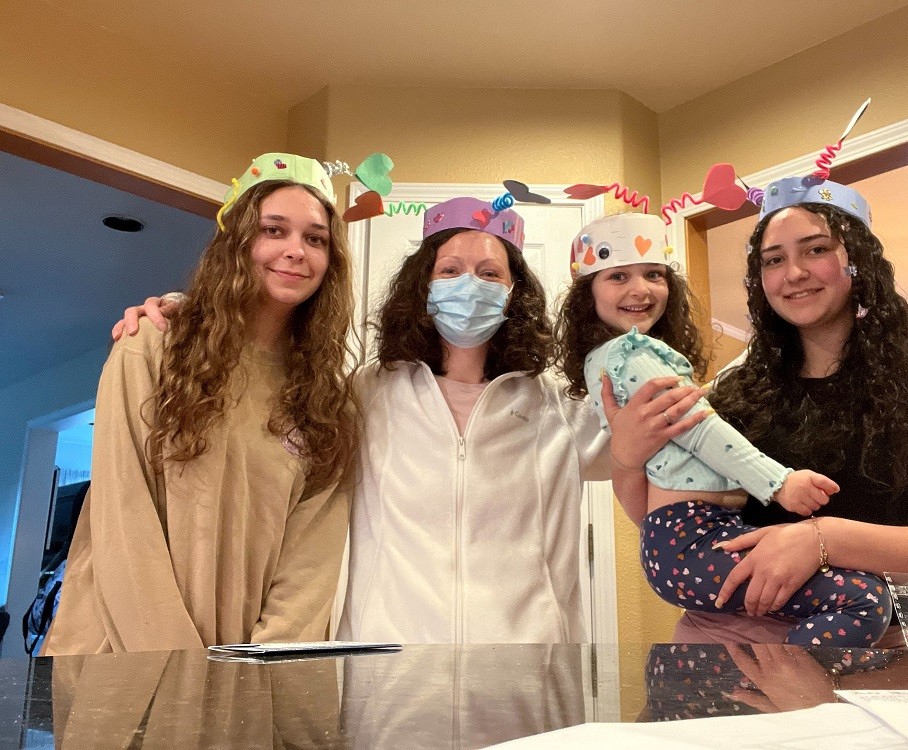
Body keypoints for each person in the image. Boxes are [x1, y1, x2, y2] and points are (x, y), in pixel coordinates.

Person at [112, 195, 711, 643]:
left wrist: (641, 318)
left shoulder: (558, 407)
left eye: (489, 273)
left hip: (527, 675)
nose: (468, 286)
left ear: (513, 293)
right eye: (449, 271)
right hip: (387, 679)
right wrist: (184, 310)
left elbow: (662, 462)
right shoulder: (364, 395)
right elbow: (266, 389)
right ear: (420, 289)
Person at [609, 176, 908, 644]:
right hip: (723, 647)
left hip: (855, 647)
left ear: (858, 264)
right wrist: (625, 458)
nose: (793, 273)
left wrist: (819, 539)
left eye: (815, 250)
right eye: (774, 260)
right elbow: (660, 521)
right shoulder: (731, 392)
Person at [44, 153, 358, 654]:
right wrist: (182, 671)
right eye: (273, 230)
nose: (296, 250)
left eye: (315, 238)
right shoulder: (151, 345)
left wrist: (259, 670)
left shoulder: (327, 401)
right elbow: (123, 519)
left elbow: (311, 563)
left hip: (249, 672)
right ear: (236, 242)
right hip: (126, 654)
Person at [554, 212, 891, 647]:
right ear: (589, 295)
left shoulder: (641, 358)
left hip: (687, 541)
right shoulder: (629, 354)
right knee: (863, 599)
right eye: (617, 276)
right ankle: (786, 687)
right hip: (690, 537)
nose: (640, 289)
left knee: (859, 595)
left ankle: (782, 687)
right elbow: (699, 431)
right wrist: (780, 483)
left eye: (654, 274)